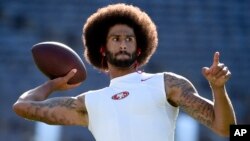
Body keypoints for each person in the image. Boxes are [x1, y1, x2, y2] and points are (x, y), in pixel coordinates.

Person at [13, 3, 236, 141]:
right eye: (115, 39)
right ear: (103, 48)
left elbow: (228, 131)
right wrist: (55, 84)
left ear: (139, 49)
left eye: (129, 39)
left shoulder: (167, 84)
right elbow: (22, 107)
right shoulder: (88, 103)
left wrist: (218, 88)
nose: (122, 44)